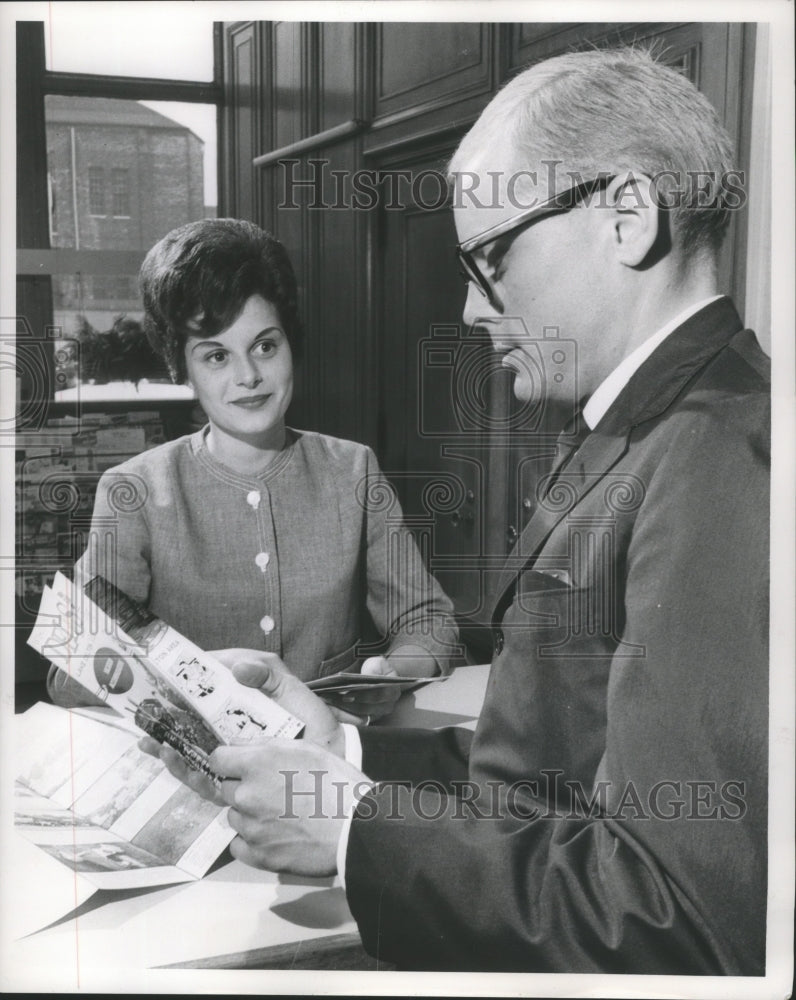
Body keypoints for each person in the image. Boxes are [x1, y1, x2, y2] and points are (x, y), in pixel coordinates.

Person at [145, 48, 769, 974]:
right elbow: (558, 771)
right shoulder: (647, 428)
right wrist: (344, 746)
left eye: (489, 260)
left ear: (627, 216)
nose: (471, 311)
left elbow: (675, 915)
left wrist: (353, 825)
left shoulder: (722, 460)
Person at [49, 219, 461, 721]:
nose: (249, 376)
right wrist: (194, 672)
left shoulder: (354, 470)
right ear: (182, 370)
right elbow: (70, 672)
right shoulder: (132, 491)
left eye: (265, 346)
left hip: (328, 759)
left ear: (292, 342)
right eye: (217, 356)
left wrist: (393, 674)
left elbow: (428, 620)